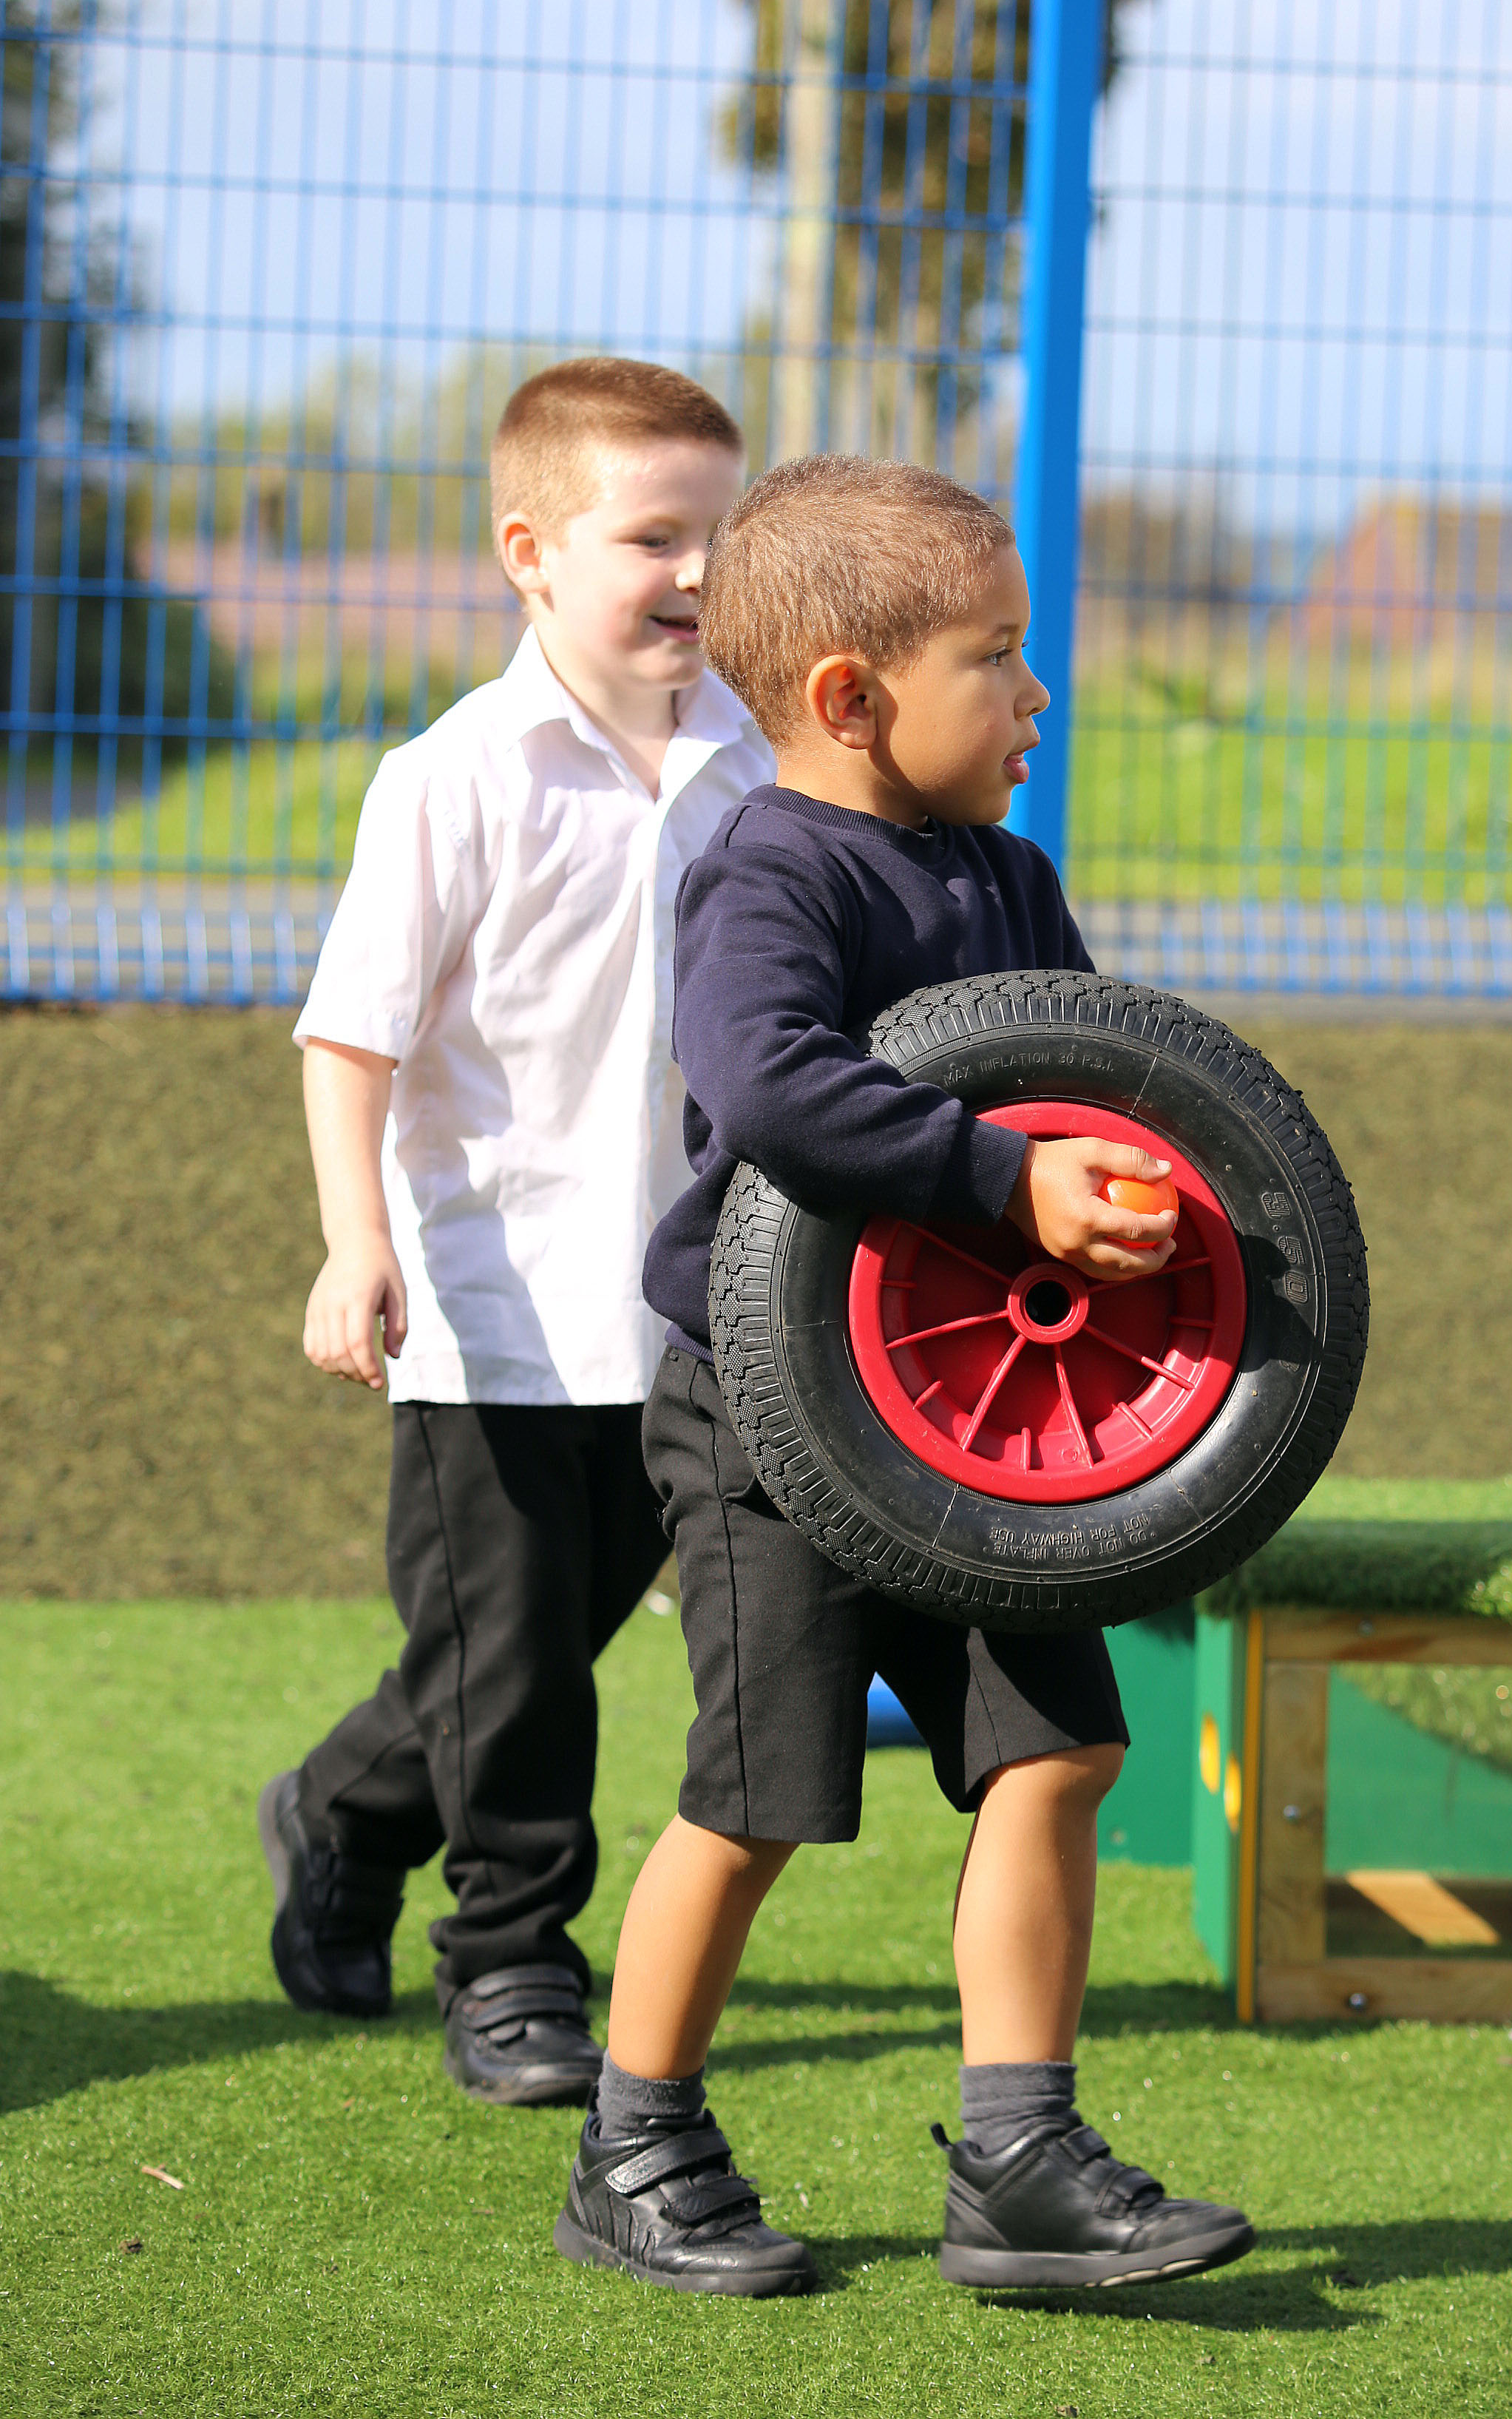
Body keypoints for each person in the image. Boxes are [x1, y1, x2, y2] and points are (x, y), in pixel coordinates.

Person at [552, 455, 1255, 2293]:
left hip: (982, 1440)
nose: (1039, 697)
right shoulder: (764, 872)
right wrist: (1001, 1181)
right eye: (997, 659)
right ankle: (636, 2143)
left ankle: (1017, 2153)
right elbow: (772, 1083)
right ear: (853, 698)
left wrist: (1133, 1221)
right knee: (758, 1792)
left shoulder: (1009, 877)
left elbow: (1094, 1076)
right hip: (770, 1421)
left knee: (1062, 1752)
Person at [259, 358, 772, 2106]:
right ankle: (510, 1964)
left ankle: (337, 1812)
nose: (698, 575)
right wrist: (355, 1245)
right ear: (529, 551)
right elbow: (353, 1038)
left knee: (521, 1645)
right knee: (519, 1666)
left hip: (684, 1302)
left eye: (721, 533)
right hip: (489, 1305)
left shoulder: (753, 763)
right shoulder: (453, 776)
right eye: (655, 538)